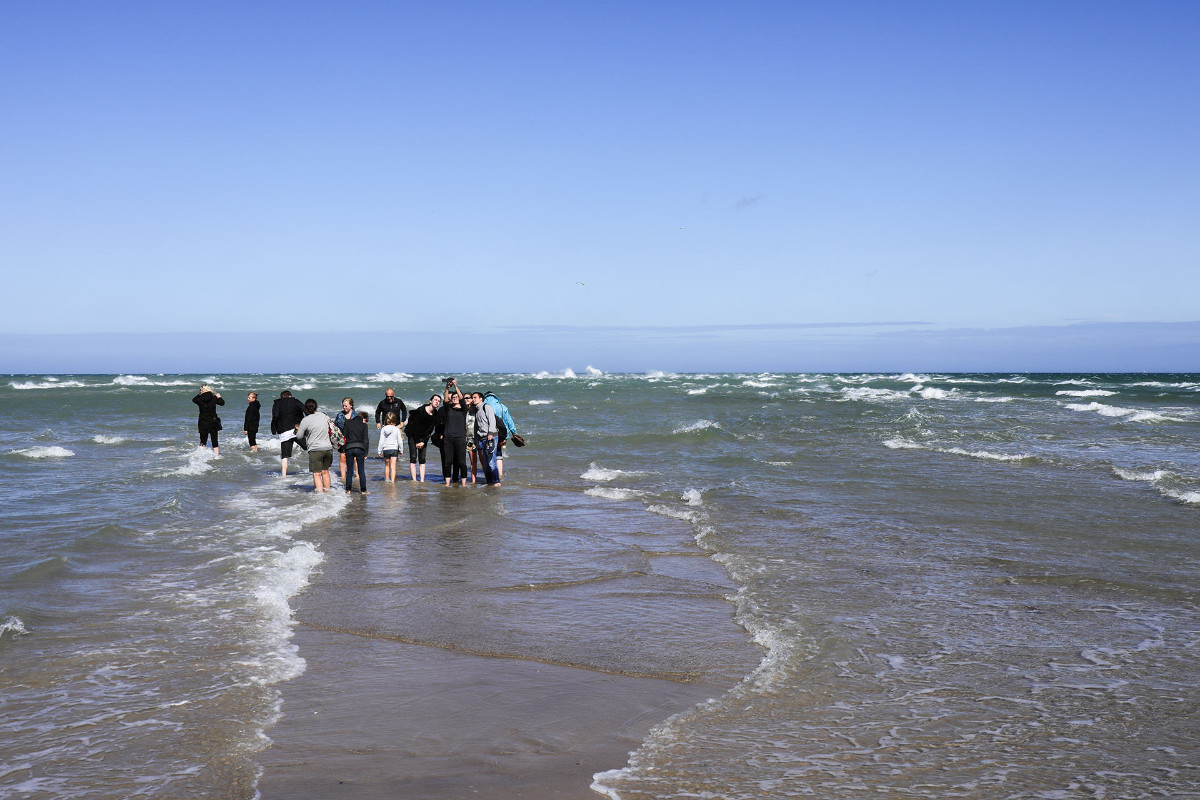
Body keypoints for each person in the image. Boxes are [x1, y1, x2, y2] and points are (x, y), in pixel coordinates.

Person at [295, 398, 334, 493]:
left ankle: (320, 496)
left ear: (306, 409)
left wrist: (298, 429)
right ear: (316, 407)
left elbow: (299, 436)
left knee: (317, 474)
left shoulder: (306, 420)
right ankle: (328, 493)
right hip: (328, 448)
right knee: (325, 472)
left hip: (315, 450)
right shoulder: (323, 416)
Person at [482, 391, 522, 482]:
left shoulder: (484, 406)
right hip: (502, 434)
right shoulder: (502, 407)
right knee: (499, 454)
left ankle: (490, 475)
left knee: (488, 454)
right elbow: (509, 421)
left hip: (488, 434)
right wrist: (514, 432)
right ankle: (499, 474)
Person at [438, 379, 470, 486]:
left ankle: (464, 484)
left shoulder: (464, 410)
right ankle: (447, 483)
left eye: (456, 397)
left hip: (460, 438)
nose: (455, 398)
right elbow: (446, 400)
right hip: (448, 438)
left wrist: (456, 386)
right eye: (453, 397)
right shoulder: (448, 409)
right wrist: (447, 387)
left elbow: (462, 399)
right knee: (448, 462)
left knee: (462, 462)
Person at [404, 394, 441, 482]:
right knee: (413, 456)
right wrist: (417, 442)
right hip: (412, 434)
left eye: (439, 401)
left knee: (422, 458)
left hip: (424, 437)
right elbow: (414, 427)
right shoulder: (421, 410)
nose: (437, 402)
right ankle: (414, 480)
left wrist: (423, 441)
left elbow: (430, 430)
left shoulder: (435, 414)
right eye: (435, 400)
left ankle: (422, 480)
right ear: (430, 401)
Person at [271, 390, 307, 477]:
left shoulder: (277, 404)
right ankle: (319, 470)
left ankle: (283, 476)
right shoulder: (294, 401)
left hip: (284, 433)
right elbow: (305, 409)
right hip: (296, 430)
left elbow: (275, 417)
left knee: (284, 456)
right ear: (290, 396)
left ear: (281, 397)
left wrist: (274, 430)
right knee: (310, 448)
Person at [471, 392, 500, 486]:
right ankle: (489, 482)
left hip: (491, 436)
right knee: (486, 463)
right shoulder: (476, 410)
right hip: (482, 438)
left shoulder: (486, 407)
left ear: (481, 399)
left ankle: (496, 481)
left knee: (491, 462)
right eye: (472, 397)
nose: (473, 399)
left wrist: (490, 433)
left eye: (475, 397)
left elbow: (492, 420)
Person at [342, 411, 370, 494]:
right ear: (362, 419)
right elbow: (366, 440)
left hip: (349, 448)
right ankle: (363, 491)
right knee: (361, 470)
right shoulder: (364, 425)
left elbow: (344, 438)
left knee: (350, 470)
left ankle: (348, 490)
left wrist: (343, 450)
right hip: (359, 448)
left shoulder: (348, 424)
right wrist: (365, 453)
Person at [192, 384, 225, 455]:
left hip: (203, 422)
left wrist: (200, 394)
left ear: (202, 390)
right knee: (215, 441)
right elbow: (222, 403)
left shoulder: (199, 398)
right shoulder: (213, 397)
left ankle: (200, 456)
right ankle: (217, 457)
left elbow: (193, 399)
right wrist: (219, 397)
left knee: (203, 441)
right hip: (213, 421)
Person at [334, 397, 355, 483]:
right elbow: (335, 427)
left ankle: (357, 475)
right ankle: (343, 476)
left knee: (354, 458)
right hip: (342, 438)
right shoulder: (340, 415)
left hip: (353, 438)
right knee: (343, 457)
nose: (344, 408)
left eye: (346, 406)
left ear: (351, 405)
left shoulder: (356, 415)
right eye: (343, 406)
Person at [377, 411, 403, 482]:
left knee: (387, 465)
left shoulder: (383, 429)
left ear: (386, 420)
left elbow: (381, 441)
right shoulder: (396, 429)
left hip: (386, 449)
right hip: (394, 449)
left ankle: (387, 479)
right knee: (393, 467)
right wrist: (401, 450)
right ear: (394, 420)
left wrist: (379, 451)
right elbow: (400, 441)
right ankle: (392, 482)